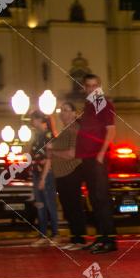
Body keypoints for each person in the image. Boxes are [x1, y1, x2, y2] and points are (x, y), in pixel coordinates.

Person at [75, 74, 117, 254]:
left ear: (99, 87)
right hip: (87, 158)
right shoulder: (88, 105)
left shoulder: (101, 102)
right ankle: (101, 238)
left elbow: (111, 130)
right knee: (94, 199)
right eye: (88, 86)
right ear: (84, 88)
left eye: (95, 86)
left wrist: (101, 153)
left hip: (97, 157)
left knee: (101, 198)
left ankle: (109, 241)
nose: (92, 89)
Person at [50, 102, 87, 250]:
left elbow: (72, 154)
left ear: (74, 113)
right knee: (68, 207)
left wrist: (52, 152)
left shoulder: (74, 129)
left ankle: (79, 239)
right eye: (61, 110)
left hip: (71, 172)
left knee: (74, 206)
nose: (62, 113)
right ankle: (74, 238)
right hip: (62, 174)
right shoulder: (65, 130)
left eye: (66, 110)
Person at [29, 111, 60, 247]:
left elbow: (49, 158)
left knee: (49, 204)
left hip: (46, 174)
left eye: (34, 120)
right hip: (37, 173)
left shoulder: (48, 136)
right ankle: (43, 235)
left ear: (40, 120)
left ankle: (55, 234)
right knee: (40, 205)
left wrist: (42, 178)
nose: (32, 122)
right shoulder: (37, 136)